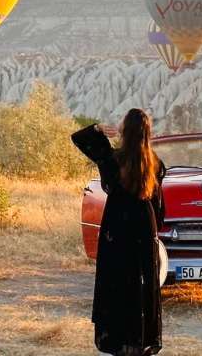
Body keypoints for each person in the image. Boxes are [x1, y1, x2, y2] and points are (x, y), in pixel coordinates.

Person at [71, 109, 166, 356]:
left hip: (118, 227)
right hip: (144, 227)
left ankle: (119, 340)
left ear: (125, 130)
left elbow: (78, 138)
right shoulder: (155, 163)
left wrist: (98, 129)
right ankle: (140, 340)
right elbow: (158, 206)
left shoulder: (112, 158)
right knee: (141, 284)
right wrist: (155, 231)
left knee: (117, 282)